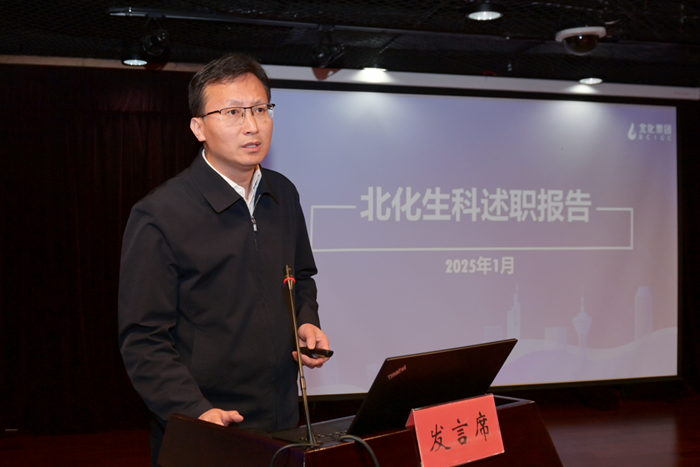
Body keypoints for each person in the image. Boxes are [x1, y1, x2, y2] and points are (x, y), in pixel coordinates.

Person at [118, 53, 330, 465]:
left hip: (284, 423)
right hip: (206, 426)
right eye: (233, 112)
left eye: (260, 109)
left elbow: (300, 276)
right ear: (198, 127)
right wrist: (193, 410)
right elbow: (143, 338)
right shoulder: (159, 214)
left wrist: (305, 320)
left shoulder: (283, 194)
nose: (252, 125)